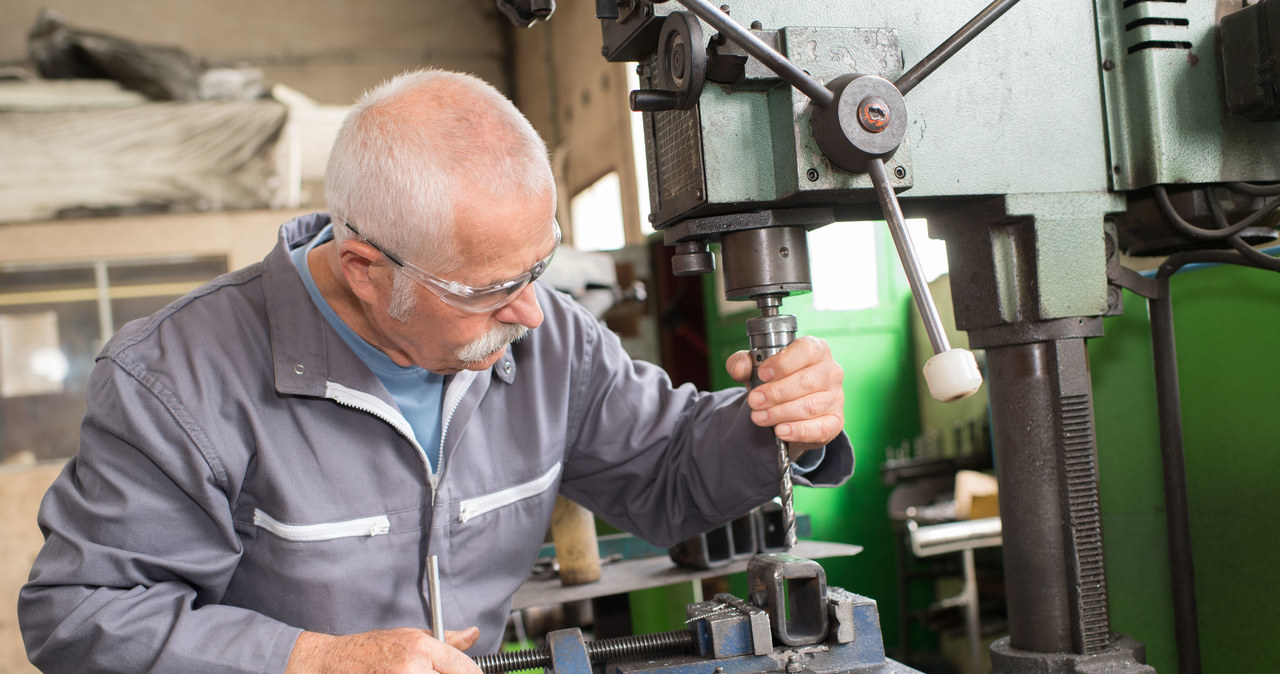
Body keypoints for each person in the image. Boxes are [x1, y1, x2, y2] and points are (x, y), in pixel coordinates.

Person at [19, 69, 852, 673]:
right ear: (365, 269)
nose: (530, 311)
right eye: (490, 289)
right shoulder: (176, 378)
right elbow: (82, 616)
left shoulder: (548, 336)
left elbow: (669, 474)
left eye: (539, 266)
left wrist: (779, 421)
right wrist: (310, 662)